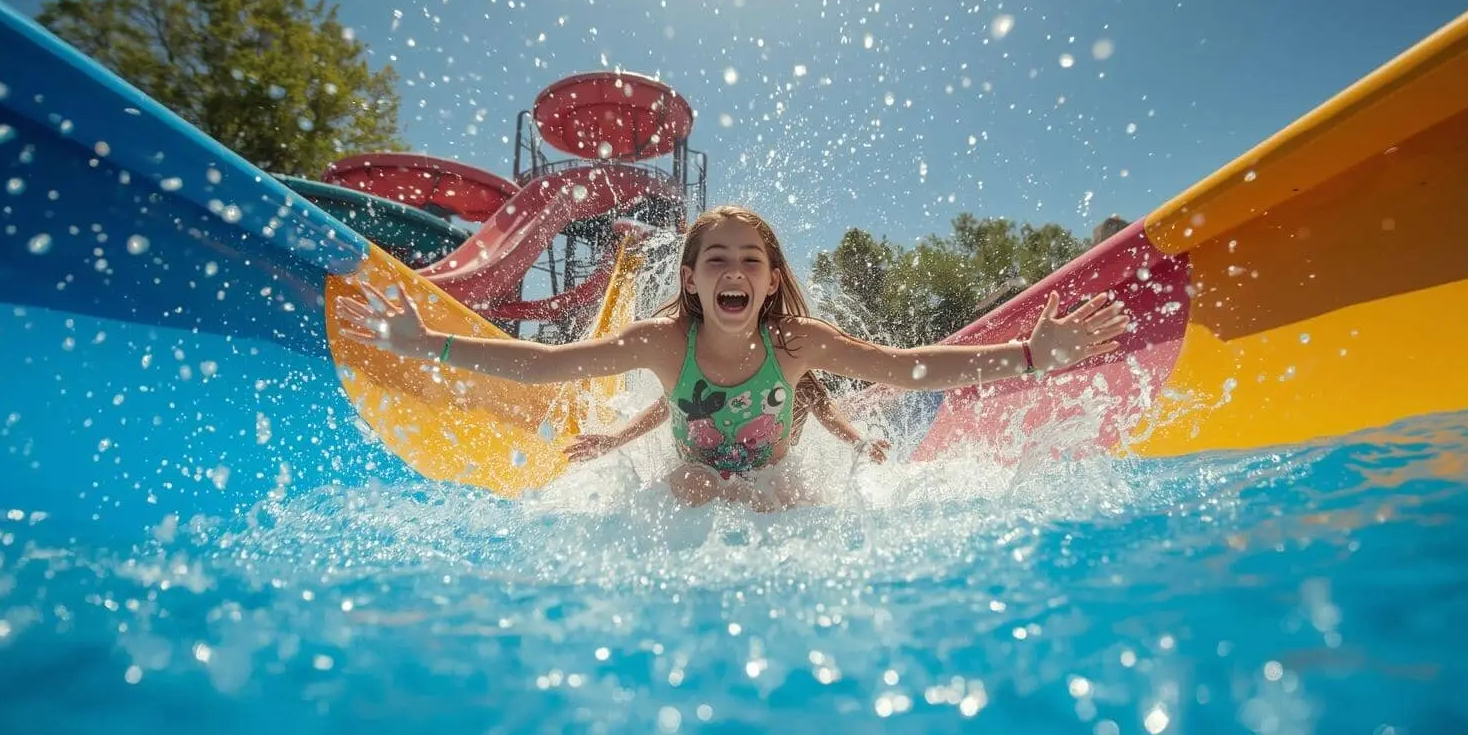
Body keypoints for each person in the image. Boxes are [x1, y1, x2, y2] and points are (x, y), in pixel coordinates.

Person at [336, 205, 1129, 511]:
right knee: (685, 481)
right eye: (717, 259)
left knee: (790, 507)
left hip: (776, 479)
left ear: (772, 277)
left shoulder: (795, 346)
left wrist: (1030, 354)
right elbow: (548, 366)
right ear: (689, 278)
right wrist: (426, 343)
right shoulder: (661, 341)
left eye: (752, 259)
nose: (735, 272)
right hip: (697, 477)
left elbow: (905, 368)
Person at [562, 371, 892, 465]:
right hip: (704, 466)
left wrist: (858, 441)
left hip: (767, 470)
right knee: (694, 485)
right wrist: (615, 439)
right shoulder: (707, 362)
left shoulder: (788, 365)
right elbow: (669, 405)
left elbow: (823, 407)